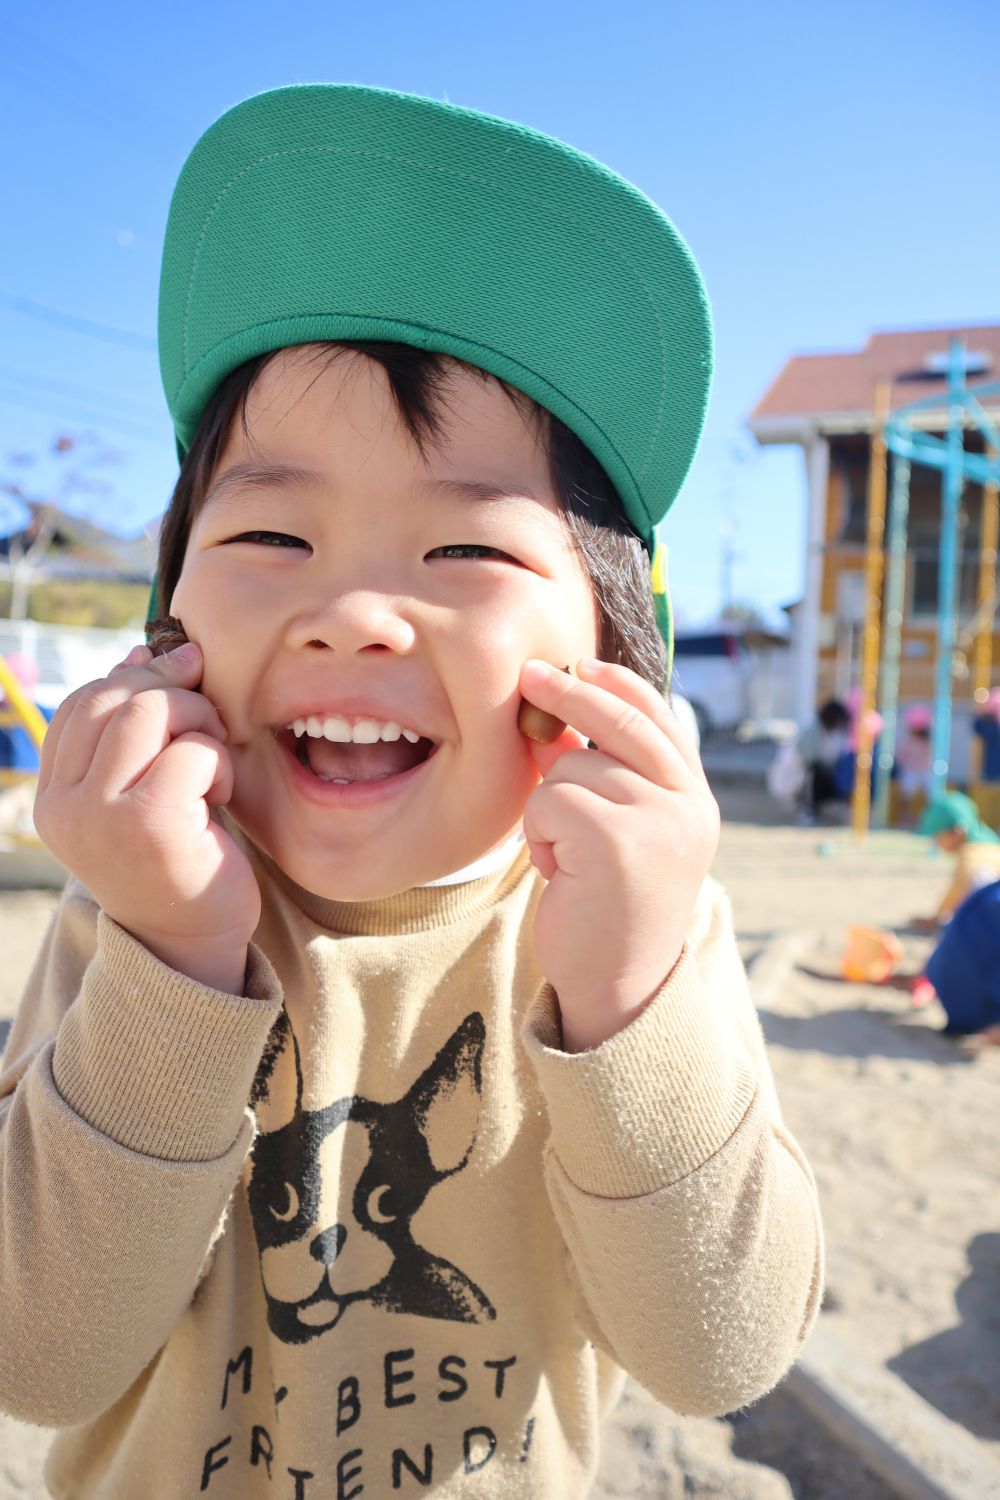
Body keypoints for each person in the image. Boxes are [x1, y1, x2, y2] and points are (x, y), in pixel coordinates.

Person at [0, 87, 822, 1498]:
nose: (356, 614)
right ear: (165, 635)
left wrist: (625, 995)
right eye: (270, 531)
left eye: (465, 553)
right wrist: (178, 959)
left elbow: (720, 1356)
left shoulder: (642, 937)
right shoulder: (123, 922)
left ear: (611, 670)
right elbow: (35, 1360)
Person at [915, 790, 1000, 928]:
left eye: (937, 835)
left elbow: (960, 885)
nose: (936, 842)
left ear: (958, 832)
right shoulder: (992, 847)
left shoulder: (970, 856)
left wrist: (936, 919)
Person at [792, 697, 850, 823]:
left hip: (820, 775)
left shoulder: (833, 735)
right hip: (799, 777)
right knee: (815, 772)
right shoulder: (811, 732)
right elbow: (811, 761)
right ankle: (808, 810)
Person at [893, 703, 933, 827]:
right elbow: (900, 755)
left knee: (931, 794)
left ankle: (928, 818)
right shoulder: (908, 740)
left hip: (926, 771)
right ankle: (904, 817)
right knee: (906, 795)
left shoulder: (928, 740)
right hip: (911, 770)